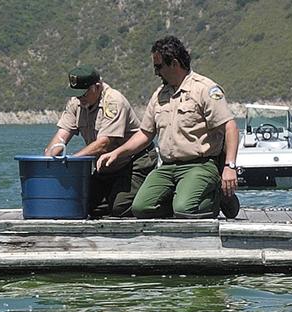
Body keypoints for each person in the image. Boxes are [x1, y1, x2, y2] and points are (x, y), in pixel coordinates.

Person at [96, 35, 240, 219]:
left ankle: (218, 197)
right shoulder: (159, 95)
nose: (156, 72)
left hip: (199, 164)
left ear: (174, 63)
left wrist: (230, 167)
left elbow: (230, 127)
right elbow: (145, 133)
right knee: (141, 208)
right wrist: (117, 153)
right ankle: (184, 198)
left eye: (158, 67)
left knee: (185, 209)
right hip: (168, 167)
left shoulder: (205, 89)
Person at [42, 66, 156, 218]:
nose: (79, 98)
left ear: (97, 87)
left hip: (134, 161)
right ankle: (111, 196)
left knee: (120, 208)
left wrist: (72, 160)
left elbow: (104, 143)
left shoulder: (113, 102)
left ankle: (157, 198)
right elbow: (62, 135)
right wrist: (48, 159)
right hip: (106, 165)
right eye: (76, 95)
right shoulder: (76, 103)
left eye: (83, 94)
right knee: (83, 204)